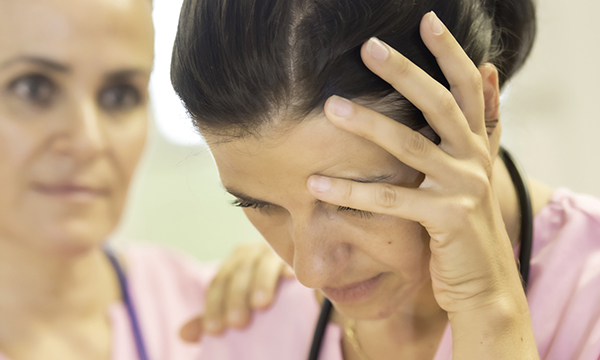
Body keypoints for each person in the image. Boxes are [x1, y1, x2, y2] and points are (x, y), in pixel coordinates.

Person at [171, 0, 600, 359]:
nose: (310, 271)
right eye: (259, 204)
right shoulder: (247, 323)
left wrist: (486, 307)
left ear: (482, 111)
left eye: (356, 201)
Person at [0, 0, 290, 359]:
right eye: (33, 88)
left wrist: (313, 307)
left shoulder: (225, 319)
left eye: (120, 95)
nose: (89, 140)